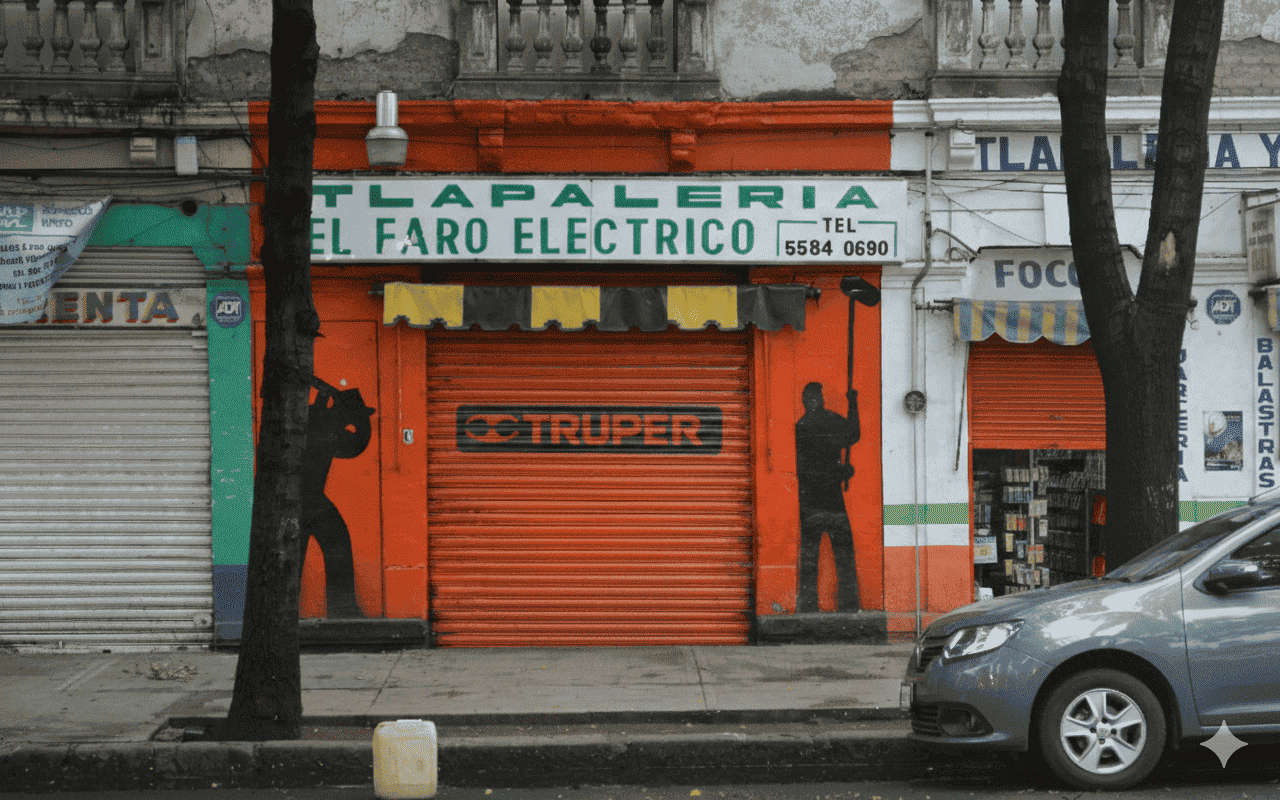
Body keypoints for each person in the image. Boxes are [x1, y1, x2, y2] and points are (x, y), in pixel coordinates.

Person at [300, 378, 376, 618]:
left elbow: (353, 444)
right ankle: (342, 608)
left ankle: (342, 607)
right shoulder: (322, 426)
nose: (349, 425)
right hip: (303, 499)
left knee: (336, 545)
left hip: (311, 499)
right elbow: (354, 443)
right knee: (334, 544)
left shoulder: (321, 423)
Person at [795, 381, 860, 613]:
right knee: (843, 554)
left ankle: (809, 605)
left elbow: (804, 470)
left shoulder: (801, 427)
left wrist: (852, 404)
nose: (813, 402)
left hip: (810, 502)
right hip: (830, 501)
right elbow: (852, 434)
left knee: (810, 557)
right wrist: (853, 404)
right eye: (811, 398)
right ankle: (849, 604)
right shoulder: (829, 422)